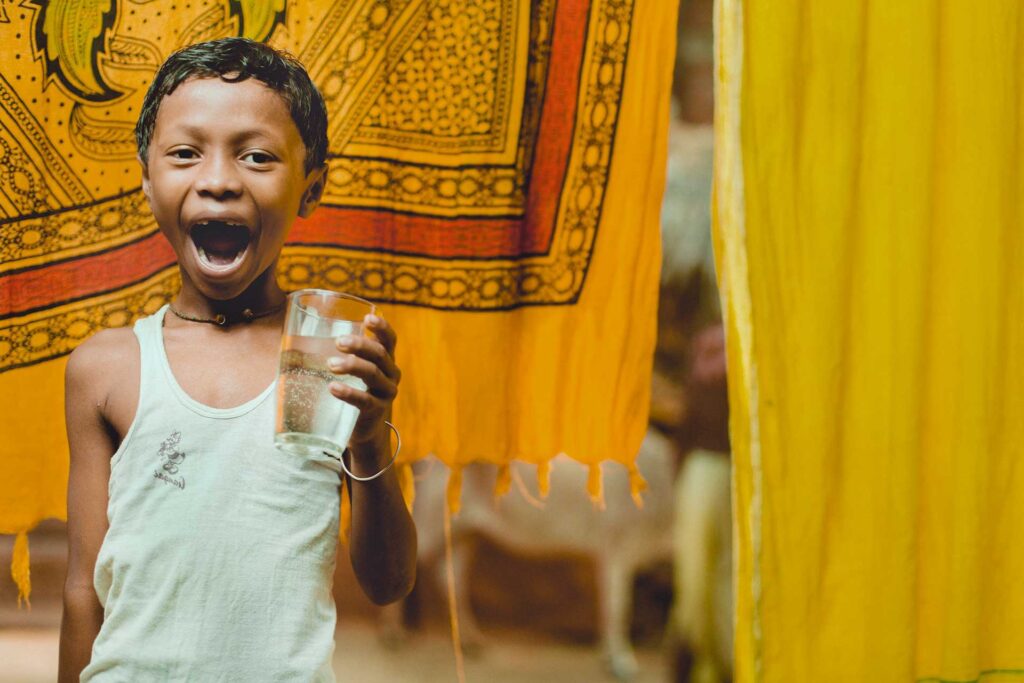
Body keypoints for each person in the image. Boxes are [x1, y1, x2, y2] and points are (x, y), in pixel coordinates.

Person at [58, 37, 417, 682]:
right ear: (147, 181)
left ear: (310, 188)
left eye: (256, 156)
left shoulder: (323, 362)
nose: (219, 180)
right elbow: (85, 590)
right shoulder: (107, 370)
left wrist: (366, 440)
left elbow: (389, 583)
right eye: (185, 153)